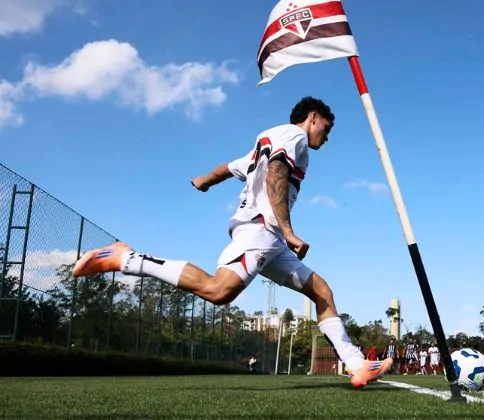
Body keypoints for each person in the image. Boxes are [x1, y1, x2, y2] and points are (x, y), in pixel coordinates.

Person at [71, 97, 392, 389]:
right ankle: (125, 258)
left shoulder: (266, 140)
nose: (327, 134)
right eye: (327, 126)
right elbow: (276, 174)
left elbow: (230, 167)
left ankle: (355, 364)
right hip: (262, 231)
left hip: (270, 237)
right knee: (218, 291)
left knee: (320, 289)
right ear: (313, 117)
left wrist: (205, 181)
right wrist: (289, 230)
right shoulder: (294, 138)